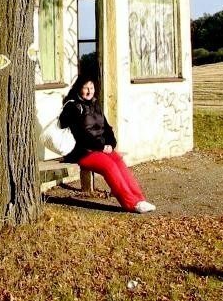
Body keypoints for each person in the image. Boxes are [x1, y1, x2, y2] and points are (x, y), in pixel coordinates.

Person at [59, 75, 156, 214]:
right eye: (85, 88)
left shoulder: (95, 104)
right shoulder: (73, 107)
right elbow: (80, 135)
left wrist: (111, 143)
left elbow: (106, 128)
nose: (89, 91)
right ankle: (131, 203)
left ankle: (140, 199)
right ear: (79, 88)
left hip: (100, 149)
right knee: (109, 166)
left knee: (118, 161)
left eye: (91, 88)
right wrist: (101, 146)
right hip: (83, 151)